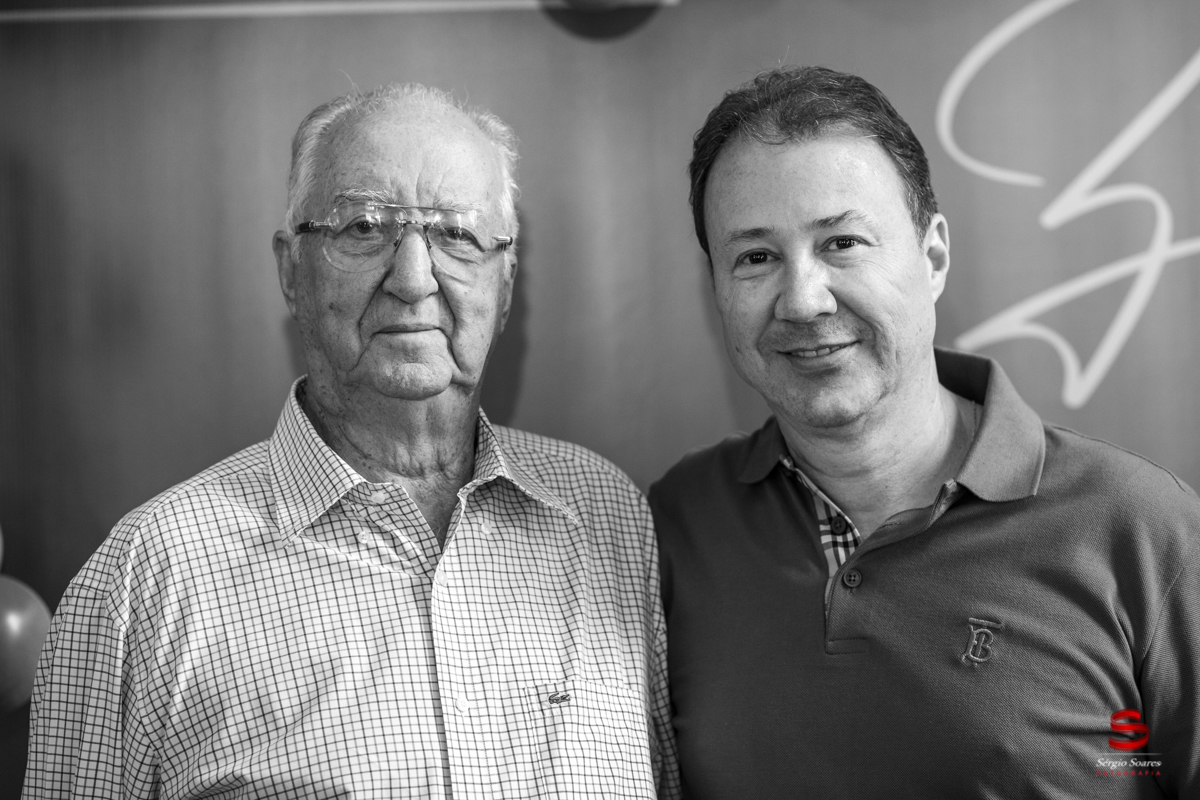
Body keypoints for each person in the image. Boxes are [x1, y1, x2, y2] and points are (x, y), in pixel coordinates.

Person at [24, 84, 678, 799]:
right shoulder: (146, 579)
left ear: (506, 282)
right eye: (364, 226)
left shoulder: (606, 519)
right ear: (291, 270)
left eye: (457, 235)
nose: (414, 280)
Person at [650, 65, 1199, 798]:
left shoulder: (1142, 528)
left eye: (843, 242)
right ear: (717, 287)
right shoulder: (673, 527)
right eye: (755, 257)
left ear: (932, 256)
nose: (804, 301)